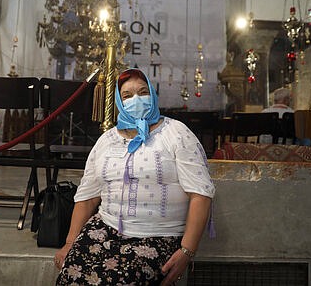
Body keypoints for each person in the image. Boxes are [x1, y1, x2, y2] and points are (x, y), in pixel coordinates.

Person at [54, 68, 215, 285]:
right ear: (119, 103)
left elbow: (201, 194)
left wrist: (187, 251)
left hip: (157, 237)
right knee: (71, 275)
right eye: (127, 96)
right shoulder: (107, 140)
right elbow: (88, 197)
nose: (136, 99)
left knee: (120, 279)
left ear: (152, 95)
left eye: (142, 92)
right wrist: (69, 243)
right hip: (105, 229)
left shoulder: (176, 133)